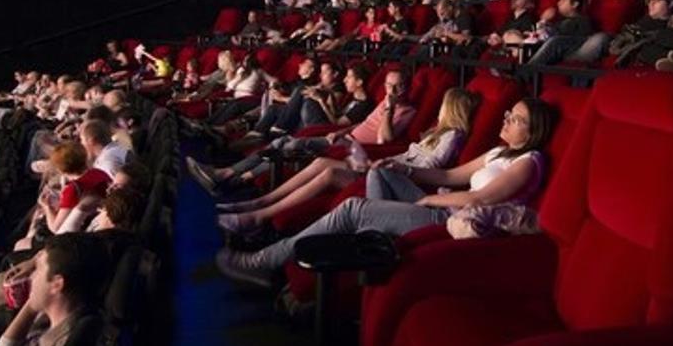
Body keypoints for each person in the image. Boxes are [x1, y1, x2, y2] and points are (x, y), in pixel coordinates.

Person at [215, 97, 553, 287]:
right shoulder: (497, 153)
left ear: (533, 129)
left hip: (453, 219)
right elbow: (450, 174)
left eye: (516, 118)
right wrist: (405, 169)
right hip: (442, 204)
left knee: (353, 209)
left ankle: (264, 261)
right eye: (508, 112)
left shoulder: (529, 160)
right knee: (381, 174)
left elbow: (480, 198)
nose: (506, 119)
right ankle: (371, 252)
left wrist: (430, 198)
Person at [216, 88, 477, 234]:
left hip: (394, 176)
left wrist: (393, 164)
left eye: (444, 103)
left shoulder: (454, 135)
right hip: (384, 166)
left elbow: (435, 167)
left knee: (326, 172)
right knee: (320, 165)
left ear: (451, 107)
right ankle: (258, 204)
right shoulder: (438, 131)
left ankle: (259, 213)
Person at [186, 70, 415, 195]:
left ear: (406, 87)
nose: (391, 91)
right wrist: (340, 132)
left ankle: (228, 174)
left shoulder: (406, 111)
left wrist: (389, 109)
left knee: (291, 144)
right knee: (283, 142)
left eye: (397, 86)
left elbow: (384, 139)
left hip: (357, 150)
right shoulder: (382, 101)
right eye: (388, 85)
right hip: (344, 138)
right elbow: (362, 123)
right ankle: (227, 174)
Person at [523, 0, 599, 66]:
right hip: (556, 52)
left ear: (574, 4)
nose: (559, 3)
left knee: (555, 41)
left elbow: (581, 42)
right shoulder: (559, 22)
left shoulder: (583, 21)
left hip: (573, 53)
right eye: (559, 0)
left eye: (563, 0)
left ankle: (525, 73)